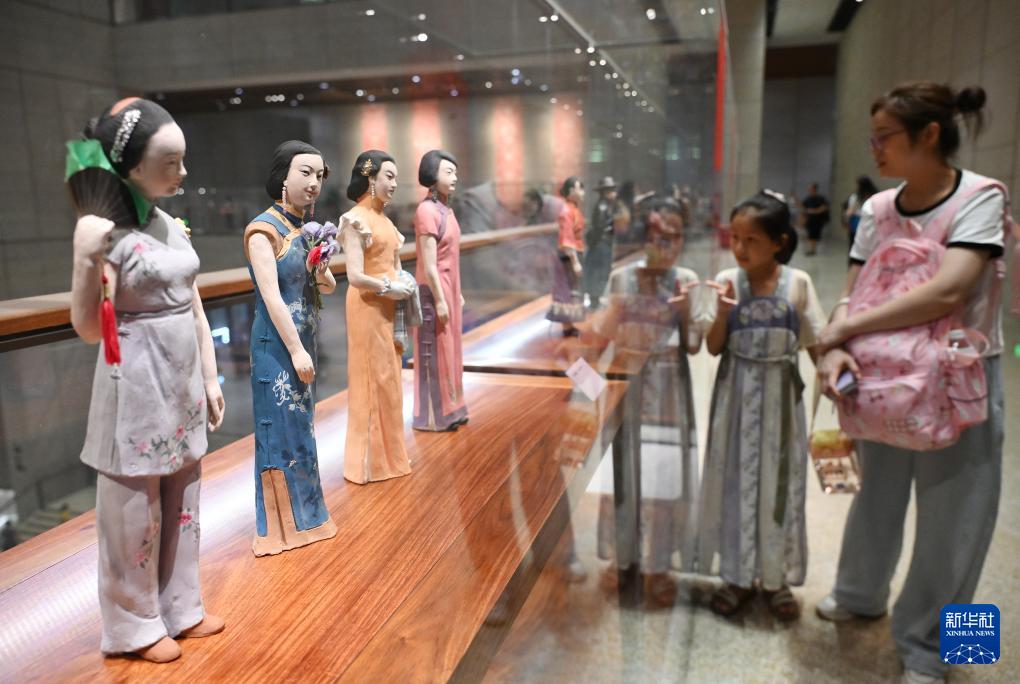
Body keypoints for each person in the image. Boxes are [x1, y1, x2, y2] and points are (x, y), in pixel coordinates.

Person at [814, 82, 1005, 684]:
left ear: (930, 135)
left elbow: (950, 290)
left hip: (960, 378)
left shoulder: (982, 197)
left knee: (960, 521)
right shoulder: (877, 209)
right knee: (875, 495)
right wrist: (835, 345)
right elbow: (852, 292)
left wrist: (845, 330)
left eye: (884, 137)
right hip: (884, 379)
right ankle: (858, 593)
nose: (873, 149)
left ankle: (949, 653)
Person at [70, 98, 225, 663]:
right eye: (170, 163)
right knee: (133, 507)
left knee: (184, 497)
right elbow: (89, 327)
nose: (182, 172)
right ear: (133, 165)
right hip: (134, 377)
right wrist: (85, 259)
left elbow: (195, 305)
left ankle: (181, 605)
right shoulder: (106, 233)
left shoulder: (167, 225)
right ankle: (132, 625)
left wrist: (210, 375)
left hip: (180, 379)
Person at [696, 190, 825, 622]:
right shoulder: (728, 282)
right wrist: (720, 313)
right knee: (735, 483)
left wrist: (838, 387)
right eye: (735, 237)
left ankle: (775, 577)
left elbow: (816, 344)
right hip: (734, 403)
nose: (740, 247)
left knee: (780, 487)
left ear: (778, 242)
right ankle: (735, 576)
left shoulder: (798, 284)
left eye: (751, 239)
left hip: (782, 408)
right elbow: (713, 347)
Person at [592, 199, 703, 606]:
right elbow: (595, 341)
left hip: (669, 389)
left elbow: (694, 344)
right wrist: (593, 393)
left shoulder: (686, 280)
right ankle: (621, 559)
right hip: (626, 389)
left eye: (675, 236)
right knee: (621, 475)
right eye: (658, 236)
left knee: (663, 476)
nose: (667, 245)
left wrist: (686, 311)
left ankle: (658, 565)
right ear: (643, 239)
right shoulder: (621, 279)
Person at [244, 141, 338, 556]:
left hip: (304, 341)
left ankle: (309, 517)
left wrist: (320, 263)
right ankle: (281, 527)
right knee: (279, 431)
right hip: (277, 346)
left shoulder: (303, 228)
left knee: (302, 429)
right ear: (283, 176)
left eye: (319, 175)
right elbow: (271, 297)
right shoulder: (263, 230)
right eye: (305, 172)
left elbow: (325, 286)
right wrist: (297, 351)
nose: (314, 182)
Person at [341, 150, 414, 484]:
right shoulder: (355, 219)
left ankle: (391, 456)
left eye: (396, 177)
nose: (394, 184)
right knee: (372, 378)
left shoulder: (386, 221)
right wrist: (389, 287)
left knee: (390, 380)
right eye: (389, 176)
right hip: (367, 306)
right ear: (370, 178)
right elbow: (355, 276)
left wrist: (402, 284)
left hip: (388, 305)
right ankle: (368, 463)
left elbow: (395, 265)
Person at [413, 150, 468, 432]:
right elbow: (429, 264)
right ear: (432, 175)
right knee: (435, 352)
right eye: (448, 172)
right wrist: (440, 300)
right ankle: (434, 415)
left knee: (452, 349)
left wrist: (456, 293)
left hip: (450, 287)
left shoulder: (446, 209)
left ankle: (454, 407)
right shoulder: (427, 211)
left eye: (455, 172)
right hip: (434, 290)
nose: (454, 177)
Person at [546, 177, 586, 336]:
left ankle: (569, 325)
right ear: (570, 191)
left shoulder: (573, 209)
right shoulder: (566, 212)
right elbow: (567, 238)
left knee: (571, 290)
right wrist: (575, 261)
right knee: (566, 292)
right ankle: (567, 326)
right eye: (579, 189)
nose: (582, 192)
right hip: (567, 258)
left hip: (573, 254)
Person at [583, 176, 619, 311]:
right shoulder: (602, 206)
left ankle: (596, 299)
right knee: (599, 272)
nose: (613, 193)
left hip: (602, 243)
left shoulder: (606, 205)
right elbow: (599, 227)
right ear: (605, 192)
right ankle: (594, 300)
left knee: (600, 271)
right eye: (611, 190)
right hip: (601, 243)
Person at [843, 175, 879, 247]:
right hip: (872, 222)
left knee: (854, 244)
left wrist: (846, 219)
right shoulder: (876, 196)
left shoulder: (856, 197)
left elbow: (850, 211)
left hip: (857, 221)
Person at [800, 183, 830, 255]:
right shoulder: (808, 199)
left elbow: (825, 207)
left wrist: (815, 211)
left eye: (811, 189)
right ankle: (811, 249)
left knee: (813, 236)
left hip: (817, 221)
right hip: (810, 220)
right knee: (810, 235)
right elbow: (803, 206)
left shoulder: (820, 198)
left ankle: (812, 250)